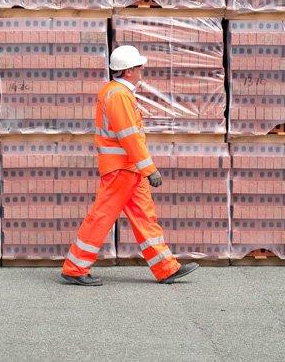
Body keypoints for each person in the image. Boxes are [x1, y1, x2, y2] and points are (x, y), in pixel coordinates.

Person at [60, 45, 199, 286]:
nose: (142, 69)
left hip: (128, 169)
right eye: (138, 66)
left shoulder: (118, 93)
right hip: (122, 169)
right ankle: (75, 268)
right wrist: (149, 169)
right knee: (101, 217)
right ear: (127, 71)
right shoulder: (119, 95)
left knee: (145, 217)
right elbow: (129, 136)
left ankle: (166, 268)